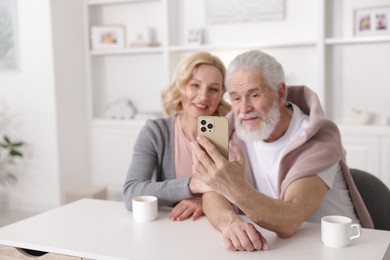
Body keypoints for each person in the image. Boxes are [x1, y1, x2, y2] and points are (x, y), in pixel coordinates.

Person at [191, 50, 373, 251]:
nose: (243, 109)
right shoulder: (232, 129)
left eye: (254, 95)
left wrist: (231, 185)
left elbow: (289, 220)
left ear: (280, 94)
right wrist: (229, 223)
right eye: (235, 98)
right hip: (280, 249)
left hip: (339, 248)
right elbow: (211, 192)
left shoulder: (317, 138)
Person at [123, 52, 231, 221]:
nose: (203, 96)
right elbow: (131, 194)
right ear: (180, 87)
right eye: (195, 85)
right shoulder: (156, 132)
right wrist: (192, 185)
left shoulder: (229, 132)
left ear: (221, 94)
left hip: (214, 227)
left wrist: (204, 201)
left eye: (213, 89)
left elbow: (241, 192)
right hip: (169, 227)